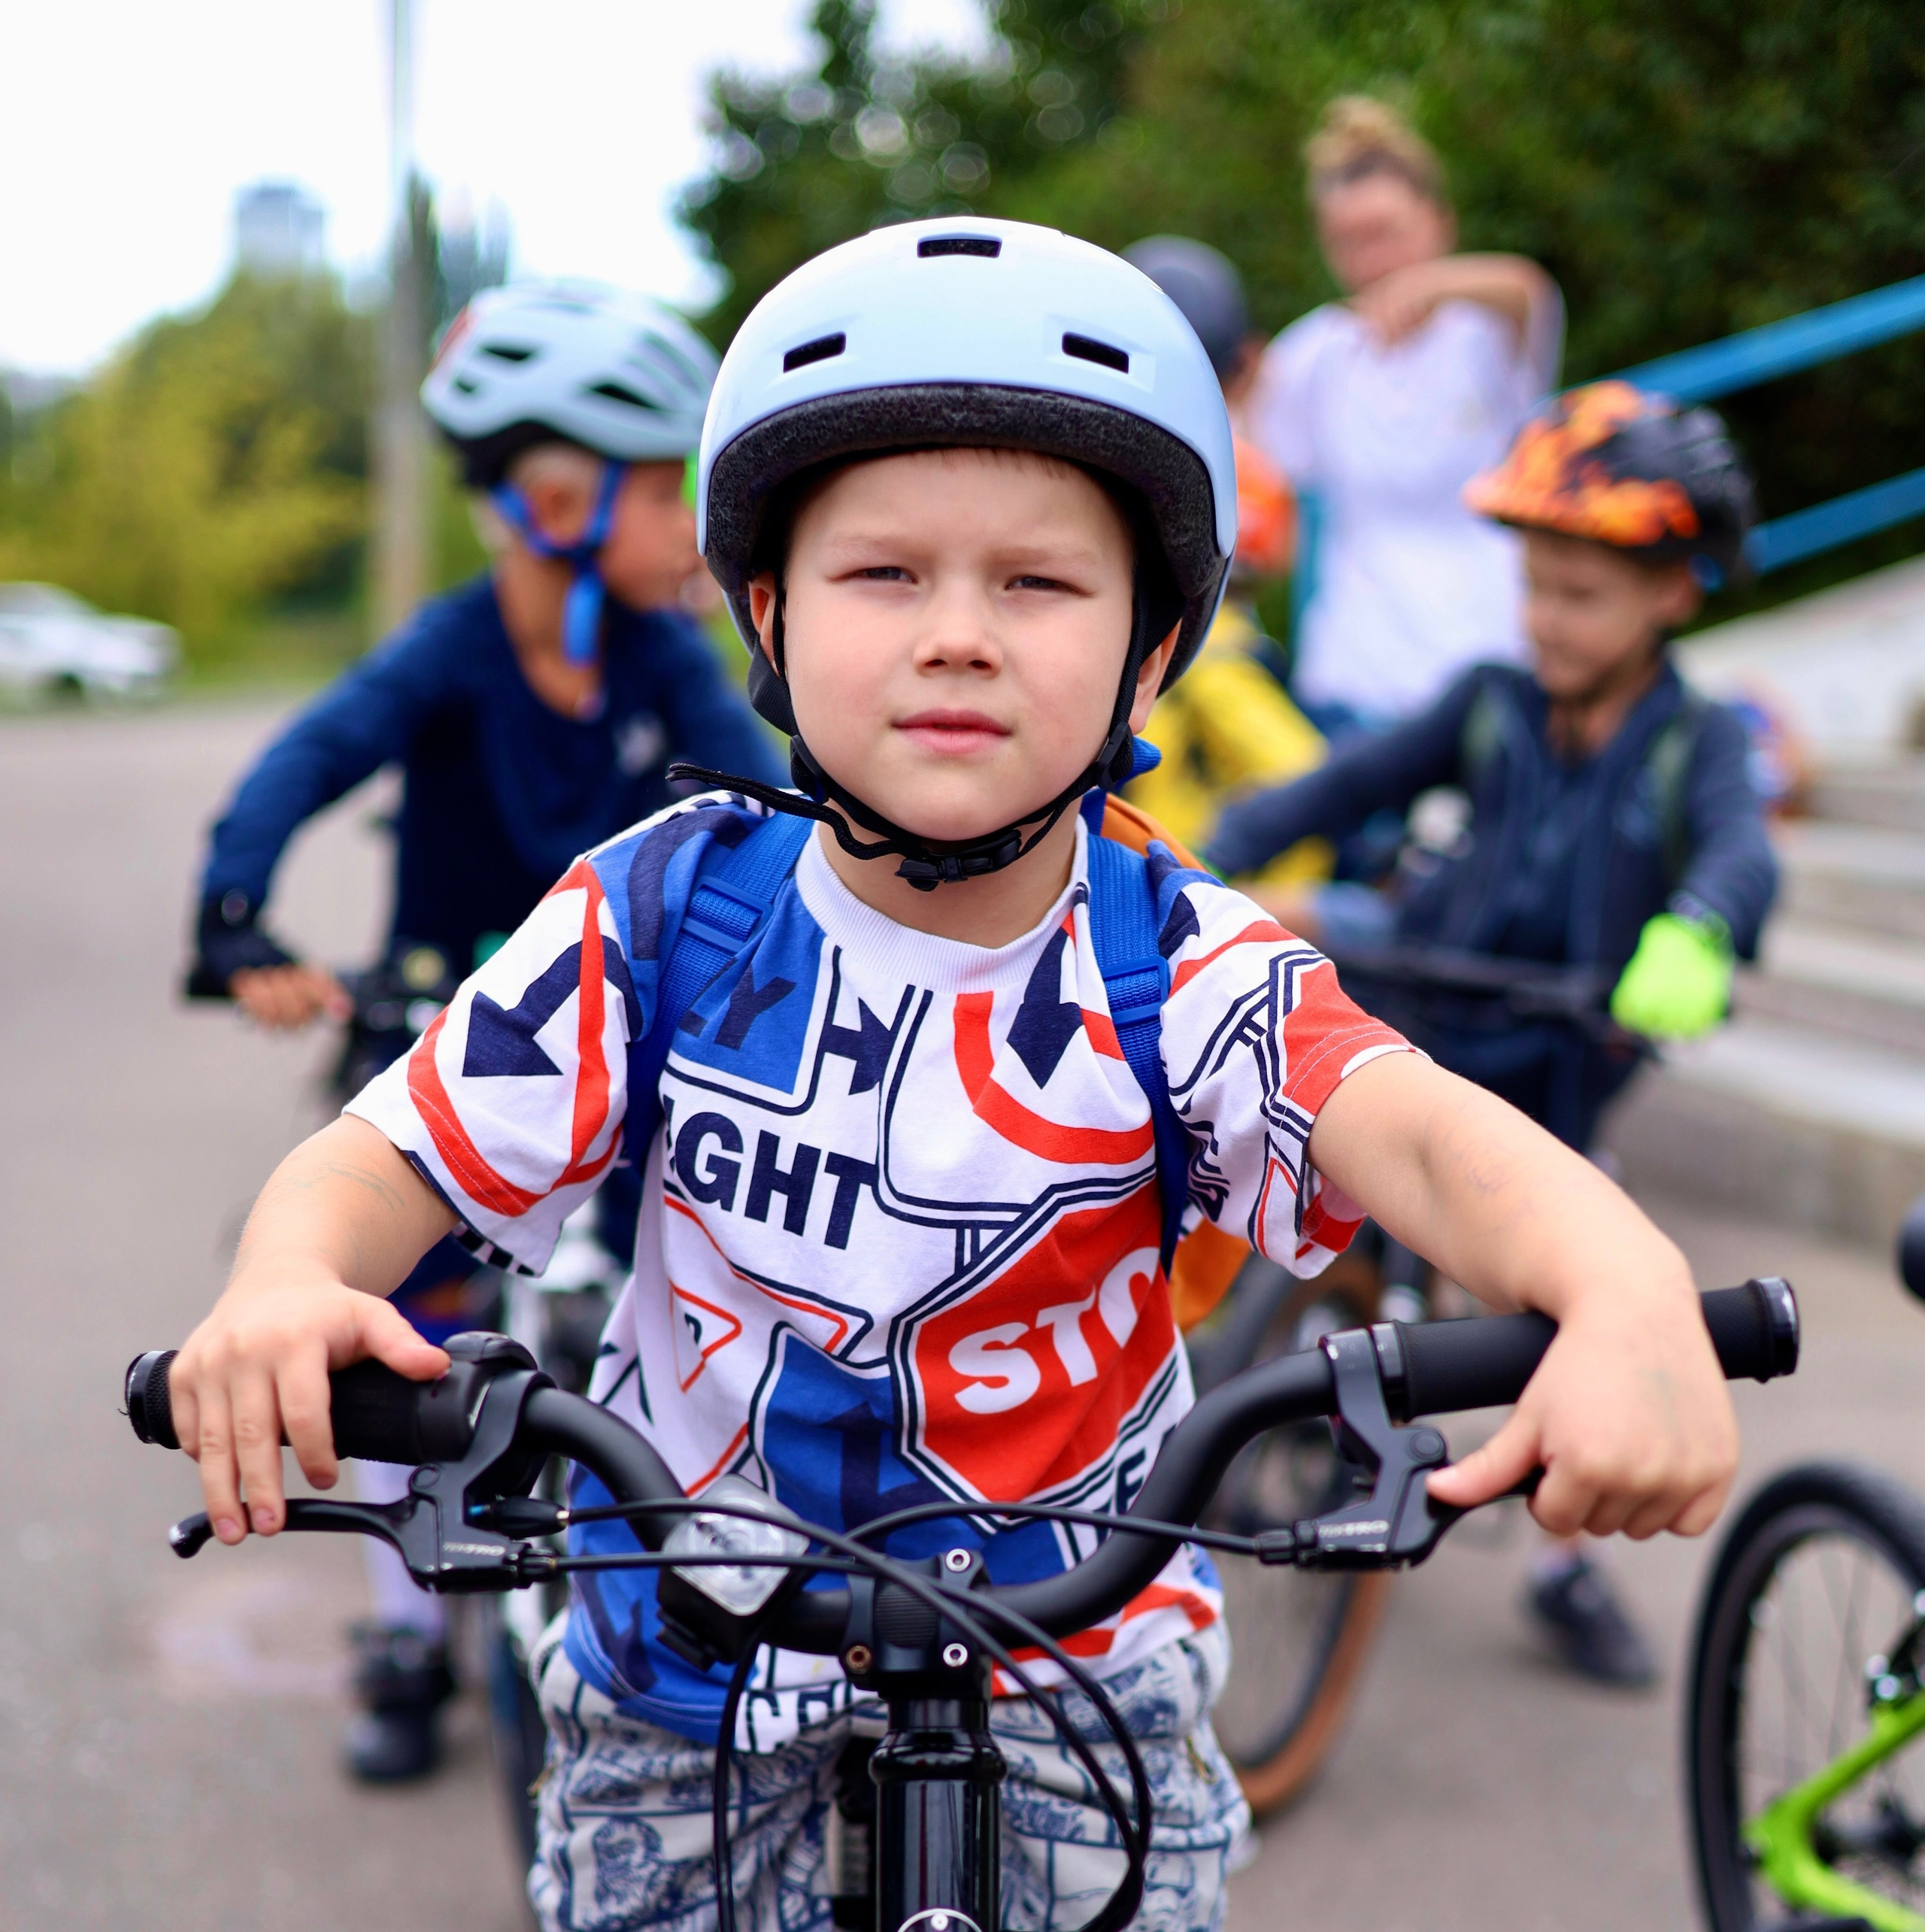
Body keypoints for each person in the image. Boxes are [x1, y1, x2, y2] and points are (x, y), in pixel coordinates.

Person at [165, 224, 1739, 1932]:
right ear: (762, 613)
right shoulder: (661, 909)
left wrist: (1621, 1289)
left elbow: (1421, 1138)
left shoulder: (1166, 959)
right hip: (681, 1673)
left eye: (1039, 583)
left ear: (1151, 648)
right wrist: (281, 1277)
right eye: (883, 575)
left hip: (1075, 1676)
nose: (958, 637)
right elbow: (391, 1146)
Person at [185, 281, 784, 1782]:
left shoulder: (660, 662)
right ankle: (403, 1621)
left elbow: (770, 807)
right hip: (449, 1033)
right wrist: (234, 913)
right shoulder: (452, 649)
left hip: (628, 1050)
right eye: (672, 494)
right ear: (559, 500)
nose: (695, 532)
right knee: (405, 1325)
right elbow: (307, 757)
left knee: (677, 1267)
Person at [1207, 381, 1776, 1683]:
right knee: (1281, 1143)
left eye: (1582, 596)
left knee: (1590, 1310)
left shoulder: (1698, 740)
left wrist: (1698, 927)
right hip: (1429, 1006)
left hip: (1561, 1059)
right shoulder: (1487, 700)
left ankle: (1566, 1562)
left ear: (1674, 592)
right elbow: (1342, 784)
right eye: (1535, 587)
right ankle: (1279, 1370)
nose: (1548, 621)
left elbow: (1742, 851)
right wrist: (1204, 853)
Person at [1250, 96, 1564, 739]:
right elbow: (1254, 466)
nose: (1371, 260)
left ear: (1438, 223)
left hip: (1491, 653)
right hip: (1356, 673)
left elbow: (1529, 289)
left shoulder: (1486, 332)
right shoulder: (1313, 355)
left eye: (1387, 233)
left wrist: (1432, 286)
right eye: (1348, 241)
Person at [1120, 237, 1329, 890]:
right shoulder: (1248, 468)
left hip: (1184, 877)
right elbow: (1304, 780)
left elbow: (1300, 781)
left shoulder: (1213, 654)